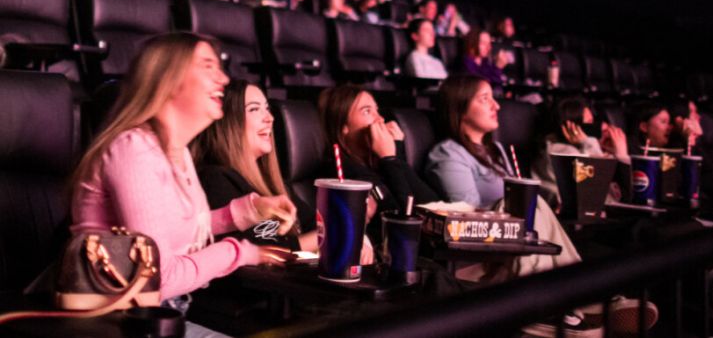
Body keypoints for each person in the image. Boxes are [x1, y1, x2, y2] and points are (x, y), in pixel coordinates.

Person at [70, 33, 296, 336]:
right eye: (208, 67)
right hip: (113, 324)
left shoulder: (176, 152)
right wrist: (242, 252)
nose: (224, 79)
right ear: (169, 79)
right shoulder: (133, 149)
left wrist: (250, 211)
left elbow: (181, 230)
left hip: (159, 316)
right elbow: (159, 276)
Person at [425, 75, 656, 336]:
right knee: (523, 205)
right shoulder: (448, 153)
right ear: (460, 107)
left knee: (533, 204)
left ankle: (584, 301)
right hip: (481, 259)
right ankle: (555, 303)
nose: (497, 105)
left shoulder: (498, 150)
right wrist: (520, 206)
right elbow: (467, 217)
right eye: (484, 98)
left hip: (513, 251)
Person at [192, 80, 325, 255]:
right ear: (229, 122)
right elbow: (255, 251)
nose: (270, 118)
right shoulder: (216, 179)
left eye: (267, 108)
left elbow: (313, 224)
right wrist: (329, 238)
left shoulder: (272, 181)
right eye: (254, 109)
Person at [317, 84, 440, 241]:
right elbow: (405, 221)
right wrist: (389, 159)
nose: (380, 119)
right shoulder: (342, 171)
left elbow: (433, 207)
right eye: (367, 111)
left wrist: (396, 157)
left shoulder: (375, 162)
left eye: (377, 110)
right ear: (344, 126)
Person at [532, 97, 632, 209]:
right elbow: (597, 191)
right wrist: (621, 154)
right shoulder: (561, 152)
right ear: (572, 127)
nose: (595, 127)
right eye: (589, 123)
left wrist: (613, 154)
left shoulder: (576, 149)